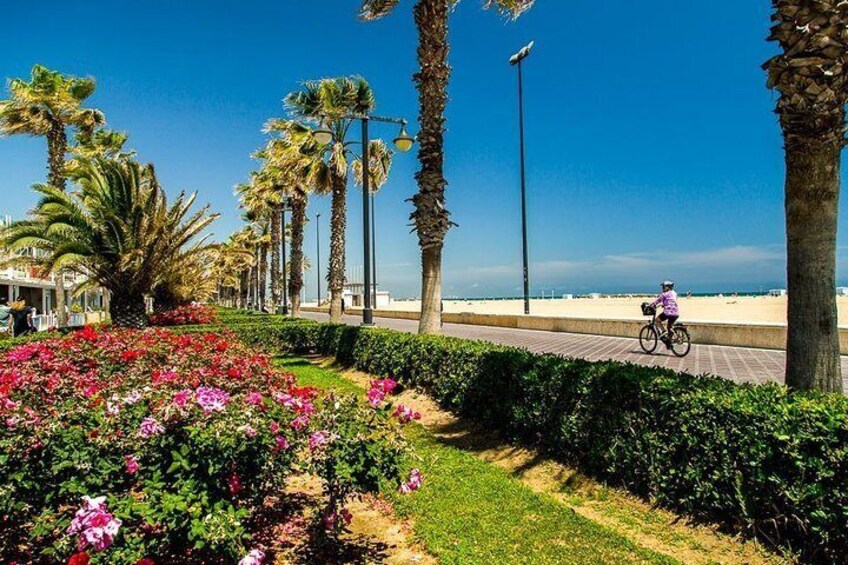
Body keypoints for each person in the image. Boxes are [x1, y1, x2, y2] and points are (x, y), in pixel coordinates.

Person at [650, 281, 679, 347]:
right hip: (676, 313)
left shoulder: (664, 294)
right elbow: (671, 301)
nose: (662, 288)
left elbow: (657, 301)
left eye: (663, 287)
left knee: (657, 320)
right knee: (669, 327)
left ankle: (663, 331)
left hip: (668, 312)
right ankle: (669, 342)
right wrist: (664, 304)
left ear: (668, 287)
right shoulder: (675, 293)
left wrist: (651, 305)